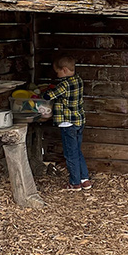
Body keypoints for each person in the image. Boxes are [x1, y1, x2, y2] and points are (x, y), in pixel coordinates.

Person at [43, 54, 91, 191]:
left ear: (63, 70)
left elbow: (48, 96)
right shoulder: (78, 80)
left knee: (70, 154)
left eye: (57, 72)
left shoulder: (64, 84)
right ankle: (85, 179)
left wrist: (47, 91)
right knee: (77, 151)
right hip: (79, 121)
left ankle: (75, 183)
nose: (57, 74)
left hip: (67, 123)